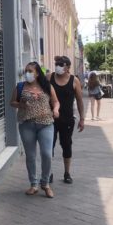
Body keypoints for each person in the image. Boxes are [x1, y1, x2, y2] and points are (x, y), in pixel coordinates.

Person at [10, 61, 60, 198]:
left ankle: (45, 183)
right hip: (27, 125)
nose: (27, 73)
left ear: (37, 73)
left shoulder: (47, 86)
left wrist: (56, 110)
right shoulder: (20, 86)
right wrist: (21, 104)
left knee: (47, 154)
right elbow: (12, 102)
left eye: (30, 71)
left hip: (46, 124)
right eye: (26, 71)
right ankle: (33, 184)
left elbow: (55, 101)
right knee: (31, 156)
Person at [47, 56, 85, 184]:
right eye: (56, 64)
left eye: (61, 64)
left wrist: (82, 119)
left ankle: (67, 173)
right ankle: (49, 172)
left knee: (66, 145)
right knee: (49, 146)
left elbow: (79, 101)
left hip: (67, 119)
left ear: (68, 67)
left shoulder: (74, 81)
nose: (57, 66)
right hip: (50, 119)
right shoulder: (49, 77)